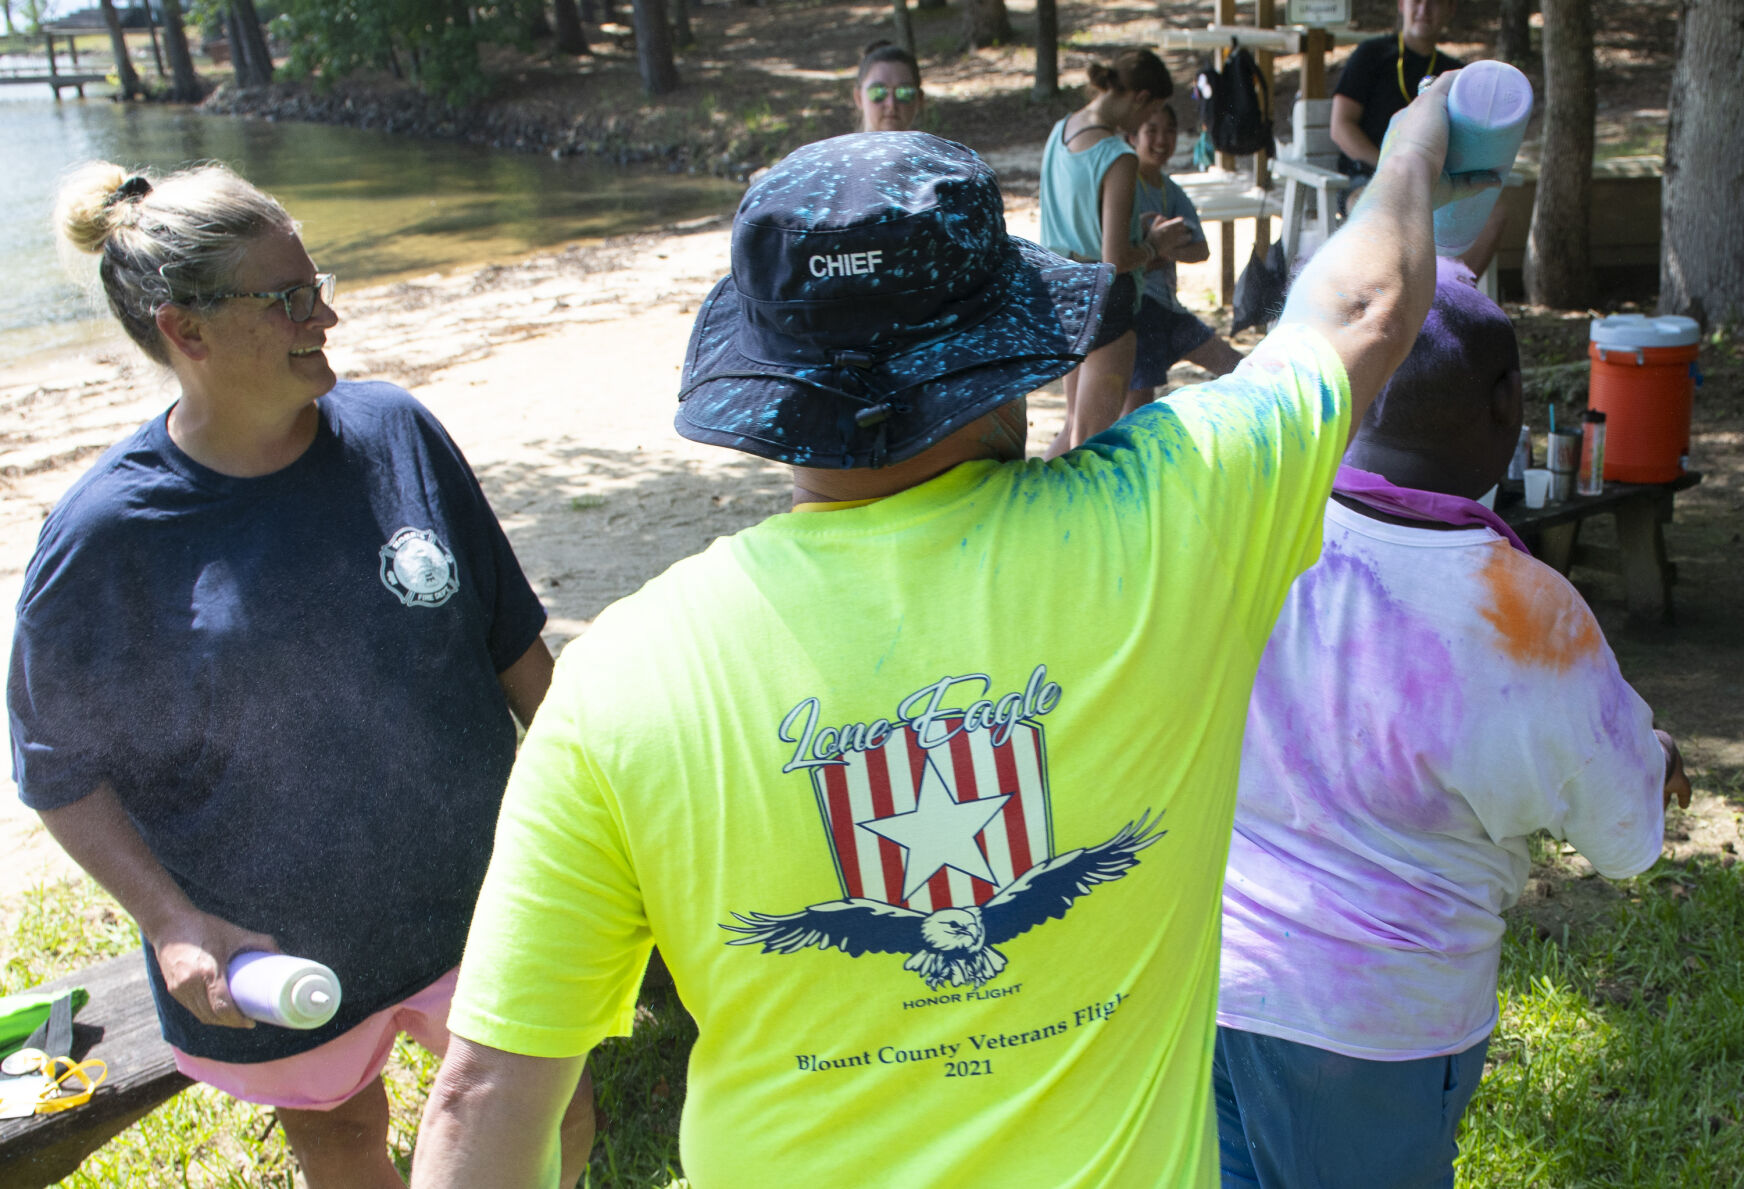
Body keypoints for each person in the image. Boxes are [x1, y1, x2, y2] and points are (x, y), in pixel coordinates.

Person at [410, 81, 1483, 1187]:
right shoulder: (1176, 521)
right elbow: (1366, 309)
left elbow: (487, 1092)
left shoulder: (617, 686)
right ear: (1006, 351)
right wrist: (1407, 149)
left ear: (769, 381)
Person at [6, 162, 593, 1188]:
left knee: (552, 1115)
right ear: (184, 330)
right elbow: (57, 767)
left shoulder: (395, 430)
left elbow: (511, 643)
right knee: (338, 1139)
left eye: (315, 283)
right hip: (272, 944)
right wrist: (173, 922)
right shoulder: (105, 533)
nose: (325, 313)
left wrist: (594, 817)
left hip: (484, 894)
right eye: (286, 299)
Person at [1213, 262, 1692, 1189]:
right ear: (1509, 402)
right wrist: (1660, 755)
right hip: (1374, 1028)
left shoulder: (1255, 534)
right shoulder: (1532, 618)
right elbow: (1627, 839)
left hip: (1209, 986)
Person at [1039, 48, 1188, 454]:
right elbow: (1115, 258)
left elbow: (1077, 221)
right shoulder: (1117, 155)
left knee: (1073, 427)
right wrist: (1156, 243)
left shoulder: (1061, 131)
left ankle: (1031, 508)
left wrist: (1134, 228)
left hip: (1061, 292)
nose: (1145, 125)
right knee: (1091, 442)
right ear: (1141, 99)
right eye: (1151, 112)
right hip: (1105, 301)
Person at [1331, 0, 1506, 276]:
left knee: (1493, 214)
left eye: (1435, 3)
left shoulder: (1455, 74)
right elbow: (1341, 127)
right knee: (1385, 210)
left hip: (1438, 180)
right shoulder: (1372, 55)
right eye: (1416, 1)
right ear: (1402, 5)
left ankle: (1450, 299)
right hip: (1369, 178)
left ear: (1450, 9)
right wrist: (1393, 168)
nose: (1424, 10)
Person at [1124, 102, 1242, 417]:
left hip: (1168, 310)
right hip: (1136, 313)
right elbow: (1117, 257)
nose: (1162, 140)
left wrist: (1163, 249)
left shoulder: (1170, 191)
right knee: (1136, 410)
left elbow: (1200, 249)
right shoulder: (1122, 186)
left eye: (1170, 131)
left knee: (1239, 369)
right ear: (1132, 136)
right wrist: (1156, 249)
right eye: (1152, 131)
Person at [854, 39, 925, 133]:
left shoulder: (937, 147)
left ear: (919, 99)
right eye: (878, 91)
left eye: (904, 92)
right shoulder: (836, 147)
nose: (891, 104)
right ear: (858, 97)